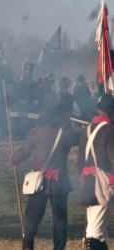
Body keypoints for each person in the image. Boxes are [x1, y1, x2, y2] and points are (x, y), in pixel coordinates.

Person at [9, 103, 78, 250]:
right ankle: (59, 247)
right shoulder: (65, 133)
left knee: (32, 217)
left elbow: (25, 151)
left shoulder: (37, 132)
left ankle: (27, 246)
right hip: (60, 183)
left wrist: (13, 159)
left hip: (39, 182)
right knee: (60, 219)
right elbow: (81, 138)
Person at [77, 94, 114, 249]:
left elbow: (80, 160)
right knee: (95, 231)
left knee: (97, 227)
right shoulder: (109, 131)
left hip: (88, 182)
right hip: (103, 183)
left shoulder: (86, 129)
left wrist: (82, 179)